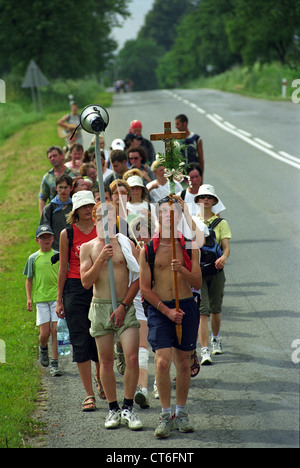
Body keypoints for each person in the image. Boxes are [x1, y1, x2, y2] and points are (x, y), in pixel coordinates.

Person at [139, 196, 202, 438]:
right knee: (162, 361)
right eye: (164, 212)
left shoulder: (189, 244)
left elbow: (197, 282)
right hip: (160, 310)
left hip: (186, 306)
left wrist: (183, 270)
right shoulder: (149, 249)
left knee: (183, 363)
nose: (168, 216)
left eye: (173, 212)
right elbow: (145, 288)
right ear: (157, 216)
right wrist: (167, 312)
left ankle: (181, 413)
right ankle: (165, 415)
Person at [80, 201, 143, 431]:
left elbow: (138, 278)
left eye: (111, 216)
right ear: (95, 219)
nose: (106, 221)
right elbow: (86, 282)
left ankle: (128, 407)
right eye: (102, 217)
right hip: (100, 306)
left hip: (124, 307)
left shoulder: (126, 243)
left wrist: (124, 306)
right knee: (105, 361)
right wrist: (100, 260)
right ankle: (113, 409)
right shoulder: (88, 247)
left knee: (132, 358)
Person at [56, 191, 102, 411]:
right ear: (75, 210)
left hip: (98, 286)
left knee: (101, 337)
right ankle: (89, 394)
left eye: (90, 205)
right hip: (75, 288)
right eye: (83, 206)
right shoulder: (68, 234)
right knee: (80, 340)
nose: (87, 209)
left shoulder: (100, 229)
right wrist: (59, 300)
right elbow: (63, 267)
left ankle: (101, 376)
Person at [194, 184, 231, 364]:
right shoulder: (192, 222)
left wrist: (223, 258)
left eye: (209, 197)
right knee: (203, 312)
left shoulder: (221, 223)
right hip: (199, 272)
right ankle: (204, 349)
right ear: (198, 200)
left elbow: (226, 247)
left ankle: (216, 339)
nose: (205, 200)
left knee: (215, 310)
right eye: (202, 197)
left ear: (214, 201)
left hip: (216, 271)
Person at [23, 225, 62, 377]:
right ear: (37, 240)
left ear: (53, 238)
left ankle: (55, 364)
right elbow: (29, 280)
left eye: (49, 236)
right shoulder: (33, 258)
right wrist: (29, 298)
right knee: (45, 333)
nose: (46, 240)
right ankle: (43, 348)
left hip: (56, 299)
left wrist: (62, 298)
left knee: (55, 330)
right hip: (41, 300)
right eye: (43, 237)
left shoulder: (58, 255)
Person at [39, 145, 78, 216]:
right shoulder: (47, 177)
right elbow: (42, 198)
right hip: (55, 213)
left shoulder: (74, 173)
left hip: (73, 211)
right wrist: (43, 218)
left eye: (55, 155)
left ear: (62, 156)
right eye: (50, 157)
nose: (52, 158)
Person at [39, 174, 73, 251]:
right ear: (56, 188)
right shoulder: (49, 208)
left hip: (73, 248)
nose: (63, 191)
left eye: (66, 187)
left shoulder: (75, 207)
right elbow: (45, 230)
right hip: (56, 249)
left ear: (71, 188)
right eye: (60, 187)